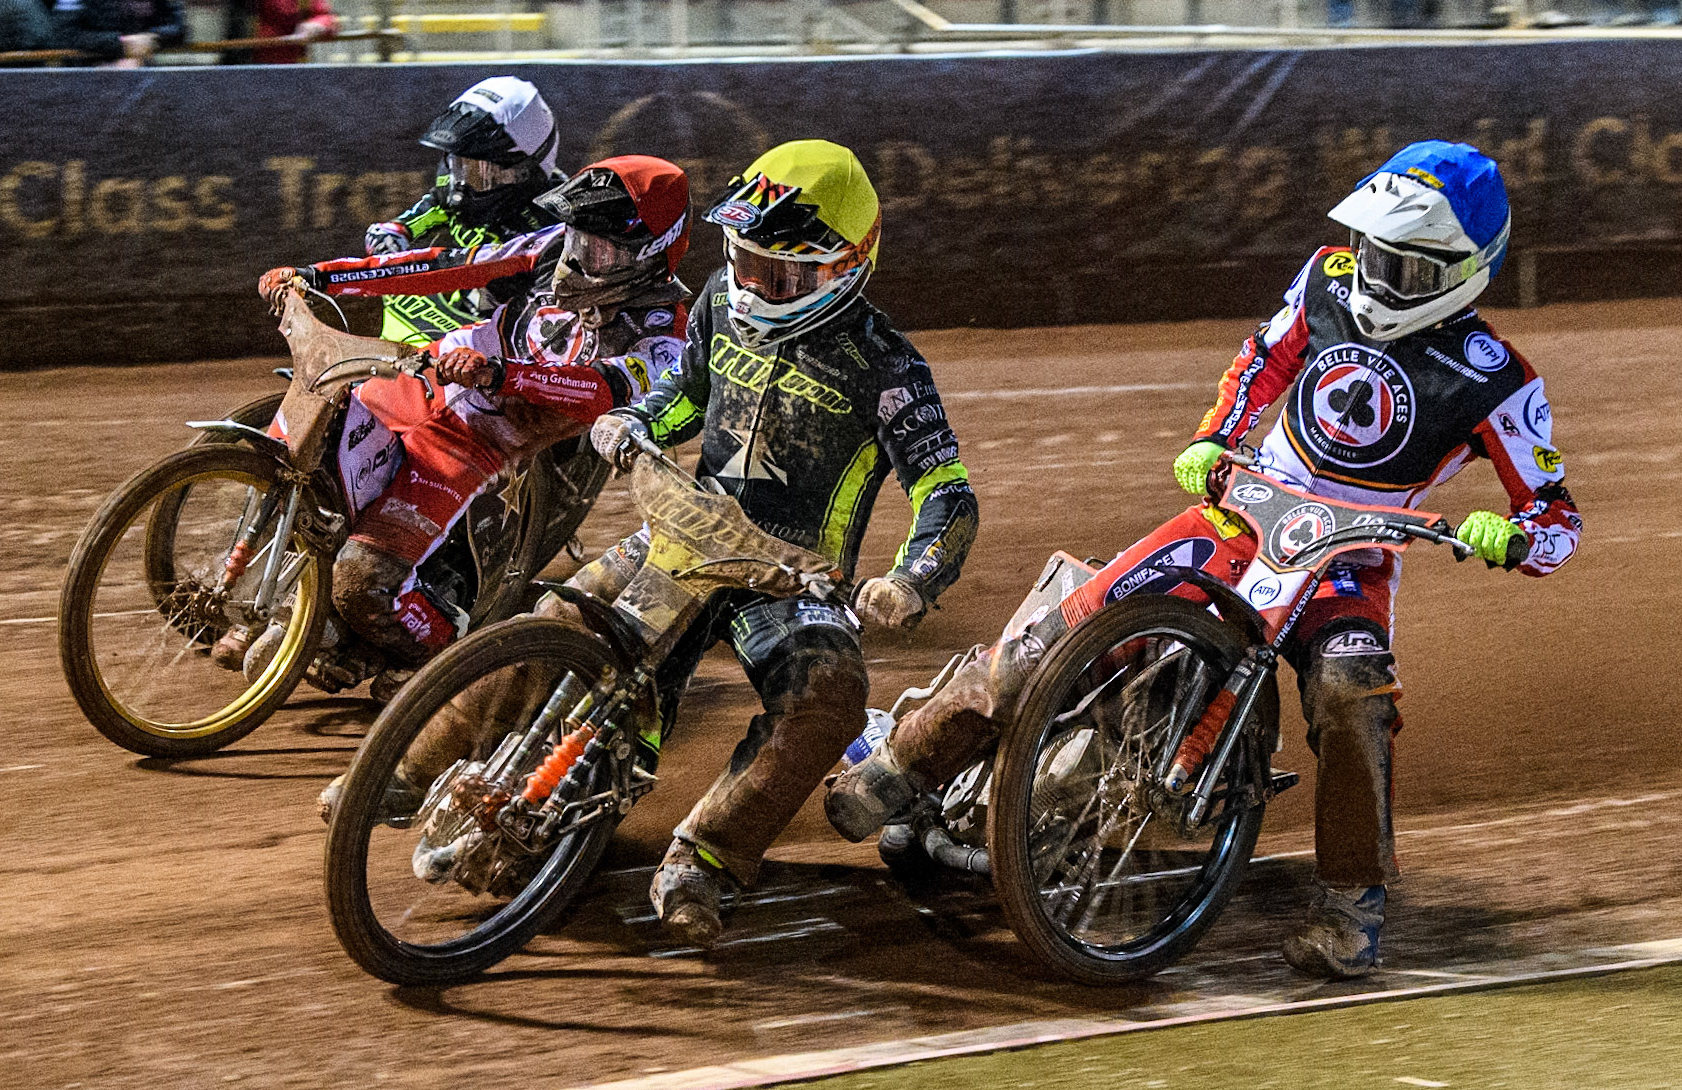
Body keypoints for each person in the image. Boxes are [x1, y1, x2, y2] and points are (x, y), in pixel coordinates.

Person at [826, 140, 1581, 980]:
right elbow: (1264, 359)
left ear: (1461, 272)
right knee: (1062, 631)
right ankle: (908, 759)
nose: (1375, 274)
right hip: (1240, 512)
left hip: (1351, 562)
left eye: (1402, 266)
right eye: (1372, 250)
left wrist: (1511, 537)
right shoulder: (1330, 277)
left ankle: (1351, 903)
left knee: (1352, 696)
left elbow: (1555, 516)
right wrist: (1214, 435)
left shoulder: (1497, 379)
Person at [580, 140, 980, 947]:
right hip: (685, 536)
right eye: (744, 261)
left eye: (781, 275)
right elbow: (682, 400)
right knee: (568, 617)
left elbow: (948, 495)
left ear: (846, 266)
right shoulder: (718, 306)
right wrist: (635, 421)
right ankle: (414, 767)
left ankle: (705, 860)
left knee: (828, 697)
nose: (754, 287)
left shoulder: (887, 365)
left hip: (793, 583)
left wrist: (911, 580)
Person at [242, 156, 693, 723]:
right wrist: (324, 275)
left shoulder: (666, 332)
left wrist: (502, 375)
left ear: (652, 252)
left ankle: (434, 655)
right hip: (427, 375)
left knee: (360, 582)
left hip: (480, 440)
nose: (578, 255)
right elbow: (447, 267)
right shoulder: (556, 244)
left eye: (600, 248)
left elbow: (602, 390)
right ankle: (301, 608)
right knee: (305, 452)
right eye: (579, 234)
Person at [360, 76, 569, 345]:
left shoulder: (553, 221)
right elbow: (418, 216)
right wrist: (392, 235)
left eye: (481, 172)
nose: (463, 182)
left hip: (505, 338)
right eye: (459, 164)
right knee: (394, 276)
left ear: (523, 171)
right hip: (453, 312)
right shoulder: (454, 187)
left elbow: (555, 323)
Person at [47, 0, 187, 65]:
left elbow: (179, 28)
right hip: (87, 73)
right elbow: (64, 35)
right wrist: (121, 44)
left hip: (141, 70)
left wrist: (152, 38)